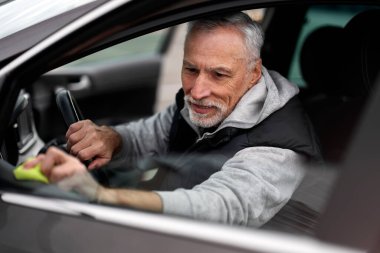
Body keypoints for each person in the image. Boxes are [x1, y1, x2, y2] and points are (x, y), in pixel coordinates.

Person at [26, 12, 321, 227]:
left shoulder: (277, 146)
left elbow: (218, 208)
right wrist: (111, 139)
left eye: (218, 74)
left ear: (254, 73)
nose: (197, 90)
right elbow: (148, 135)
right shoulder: (204, 102)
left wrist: (104, 196)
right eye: (191, 69)